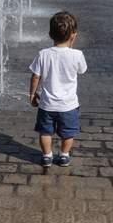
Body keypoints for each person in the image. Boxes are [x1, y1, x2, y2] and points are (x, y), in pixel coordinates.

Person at [29, 11, 87, 167]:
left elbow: (35, 76)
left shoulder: (43, 54)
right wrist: (72, 48)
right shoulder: (77, 55)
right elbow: (81, 71)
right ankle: (63, 155)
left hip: (47, 104)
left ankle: (47, 156)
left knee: (45, 132)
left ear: (49, 34)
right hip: (69, 105)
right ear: (73, 36)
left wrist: (33, 94)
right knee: (68, 133)